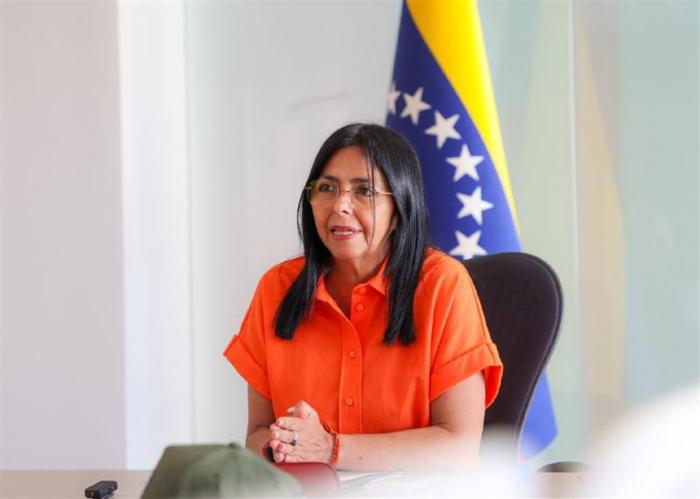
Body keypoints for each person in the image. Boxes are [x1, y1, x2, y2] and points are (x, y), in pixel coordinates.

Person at [224, 123, 503, 471]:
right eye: (327, 188)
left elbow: (459, 446)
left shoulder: (443, 285)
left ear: (399, 208)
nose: (340, 206)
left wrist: (330, 449)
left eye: (364, 191)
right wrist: (285, 446)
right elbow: (257, 435)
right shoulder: (276, 289)